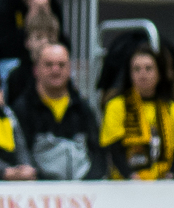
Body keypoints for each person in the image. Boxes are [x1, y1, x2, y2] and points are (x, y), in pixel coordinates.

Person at [11, 43, 105, 181]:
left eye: (61, 65)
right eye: (48, 65)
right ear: (35, 70)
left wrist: (88, 183)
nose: (55, 70)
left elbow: (98, 153)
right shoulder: (22, 108)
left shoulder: (83, 108)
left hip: (83, 189)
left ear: (69, 69)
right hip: (40, 189)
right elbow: (21, 155)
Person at [100, 44, 174, 180]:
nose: (142, 74)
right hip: (124, 183)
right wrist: (131, 177)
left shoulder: (170, 108)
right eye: (136, 69)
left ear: (159, 73)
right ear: (130, 74)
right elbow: (113, 150)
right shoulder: (116, 105)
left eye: (148, 68)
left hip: (163, 182)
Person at [3, 7, 60, 105]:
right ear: (27, 42)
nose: (45, 42)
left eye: (50, 38)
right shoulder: (16, 77)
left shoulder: (61, 73)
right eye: (39, 37)